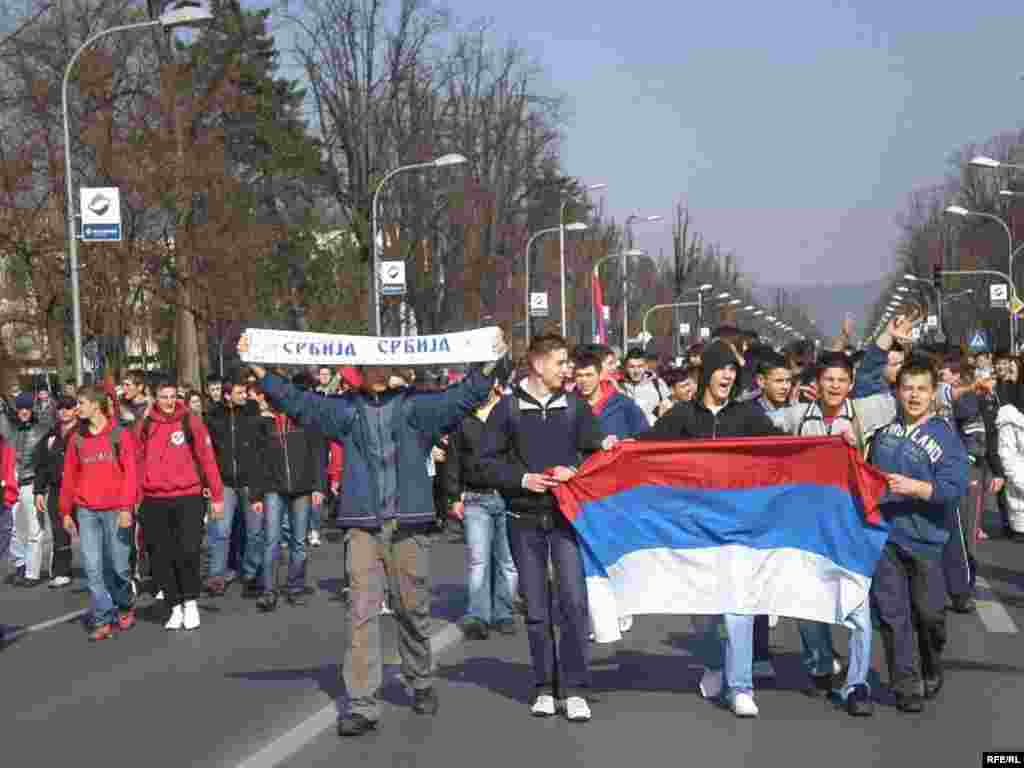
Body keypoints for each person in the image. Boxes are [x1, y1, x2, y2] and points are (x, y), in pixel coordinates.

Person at [237, 328, 509, 737]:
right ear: (361, 370)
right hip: (362, 525)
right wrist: (259, 366)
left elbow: (466, 395)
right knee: (361, 612)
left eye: (380, 363)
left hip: (408, 523)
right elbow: (298, 402)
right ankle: (362, 703)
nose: (373, 371)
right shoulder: (344, 411)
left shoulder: (418, 408)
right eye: (366, 365)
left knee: (412, 607)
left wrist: (490, 361)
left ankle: (420, 679)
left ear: (392, 366)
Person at [637, 339, 783, 718]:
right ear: (707, 374)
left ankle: (741, 687)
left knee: (739, 606)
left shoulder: (747, 415)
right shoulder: (683, 416)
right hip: (693, 529)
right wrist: (611, 447)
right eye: (722, 369)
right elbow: (643, 450)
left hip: (738, 525)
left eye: (733, 372)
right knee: (702, 610)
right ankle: (717, 664)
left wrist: (832, 445)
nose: (728, 376)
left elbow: (784, 449)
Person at [478, 333, 616, 722]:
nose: (567, 369)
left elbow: (595, 457)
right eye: (560, 362)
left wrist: (580, 466)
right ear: (538, 365)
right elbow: (484, 464)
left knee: (573, 603)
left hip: (566, 520)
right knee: (537, 608)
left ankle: (575, 689)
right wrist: (523, 479)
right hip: (522, 520)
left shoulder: (575, 407)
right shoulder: (506, 410)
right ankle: (543, 687)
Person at [869, 357, 968, 712]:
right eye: (907, 388)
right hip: (886, 538)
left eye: (921, 389)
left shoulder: (945, 437)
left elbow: (955, 488)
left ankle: (931, 661)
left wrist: (917, 488)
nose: (913, 396)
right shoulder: (885, 433)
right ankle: (906, 685)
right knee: (894, 614)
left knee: (929, 616)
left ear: (932, 394)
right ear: (897, 391)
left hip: (927, 541)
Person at [136, 380, 225, 631]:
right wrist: (135, 496)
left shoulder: (190, 421)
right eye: (163, 396)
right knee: (162, 556)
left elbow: (207, 459)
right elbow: (137, 460)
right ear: (154, 398)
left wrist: (217, 496)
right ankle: (174, 605)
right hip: (154, 499)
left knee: (188, 551)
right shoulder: (145, 424)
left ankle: (190, 602)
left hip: (188, 496)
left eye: (173, 396)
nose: (168, 402)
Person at [58, 385, 140, 641]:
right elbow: (69, 476)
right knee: (93, 568)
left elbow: (131, 475)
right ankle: (103, 618)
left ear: (96, 405)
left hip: (116, 510)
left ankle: (125, 604)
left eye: (81, 403)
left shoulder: (119, 435)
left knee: (118, 567)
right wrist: (65, 511)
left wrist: (127, 508)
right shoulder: (76, 439)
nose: (77, 408)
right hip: (87, 511)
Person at [443, 379, 519, 640]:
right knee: (479, 560)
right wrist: (453, 497)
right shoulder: (463, 421)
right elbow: (453, 460)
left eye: (484, 387)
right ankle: (478, 615)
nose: (480, 392)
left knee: (507, 561)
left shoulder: (511, 413)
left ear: (496, 387)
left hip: (509, 496)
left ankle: (504, 612)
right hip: (475, 497)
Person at [249, 387, 326, 612]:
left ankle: (295, 587)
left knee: (299, 541)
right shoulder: (263, 425)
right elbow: (257, 461)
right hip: (273, 488)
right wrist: (256, 494)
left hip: (302, 488)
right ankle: (269, 591)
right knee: (271, 540)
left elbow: (318, 453)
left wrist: (319, 486)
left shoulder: (305, 420)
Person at [205, 376, 262, 596]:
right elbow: (207, 452)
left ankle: (251, 572)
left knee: (255, 531)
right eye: (239, 393)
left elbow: (260, 447)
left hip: (250, 481)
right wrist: (208, 481)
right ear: (227, 396)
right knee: (221, 530)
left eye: (245, 392)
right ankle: (217, 576)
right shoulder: (214, 416)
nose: (244, 396)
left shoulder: (252, 412)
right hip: (224, 482)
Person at [4, 391, 54, 586]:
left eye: (27, 408)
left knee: (35, 530)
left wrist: (42, 486)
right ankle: (21, 564)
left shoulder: (42, 428)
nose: (23, 412)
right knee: (13, 529)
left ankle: (32, 573)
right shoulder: (12, 430)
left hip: (33, 483)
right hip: (13, 483)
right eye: (20, 408)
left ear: (32, 409)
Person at [32, 396, 80, 588]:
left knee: (88, 531)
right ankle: (62, 571)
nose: (64, 411)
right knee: (59, 531)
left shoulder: (84, 431)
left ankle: (98, 570)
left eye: (68, 407)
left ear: (76, 409)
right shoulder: (51, 435)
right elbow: (42, 465)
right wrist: (38, 490)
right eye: (60, 407)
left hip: (80, 489)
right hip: (57, 489)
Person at [620, 348, 671, 425]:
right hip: (630, 434)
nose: (636, 371)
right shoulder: (620, 386)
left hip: (655, 433)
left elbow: (670, 408)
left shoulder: (657, 383)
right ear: (626, 367)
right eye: (632, 367)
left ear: (646, 366)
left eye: (640, 366)